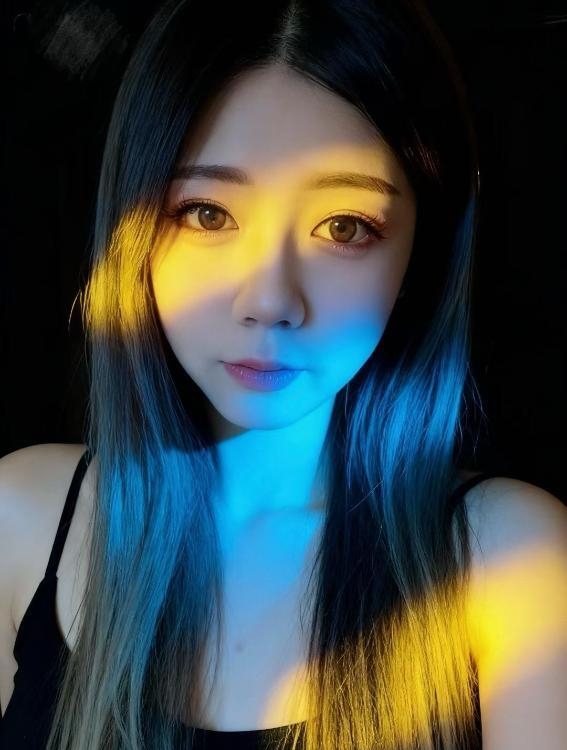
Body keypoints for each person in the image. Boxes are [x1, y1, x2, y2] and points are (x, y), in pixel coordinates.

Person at [1, 0, 566, 749]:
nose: (269, 300)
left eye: (344, 227)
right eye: (207, 214)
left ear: (420, 254)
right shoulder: (23, 517)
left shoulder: (509, 563)